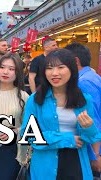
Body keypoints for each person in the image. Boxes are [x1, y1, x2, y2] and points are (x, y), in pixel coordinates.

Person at [21, 49, 101, 179]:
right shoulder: (35, 100)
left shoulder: (84, 99)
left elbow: (90, 138)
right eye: (49, 68)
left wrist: (89, 128)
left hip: (76, 162)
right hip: (45, 164)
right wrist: (67, 139)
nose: (55, 73)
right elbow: (29, 135)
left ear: (71, 69)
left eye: (61, 67)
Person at [65, 43, 101, 176]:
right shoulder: (93, 77)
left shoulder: (82, 83)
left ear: (75, 61)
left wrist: (94, 155)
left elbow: (92, 119)